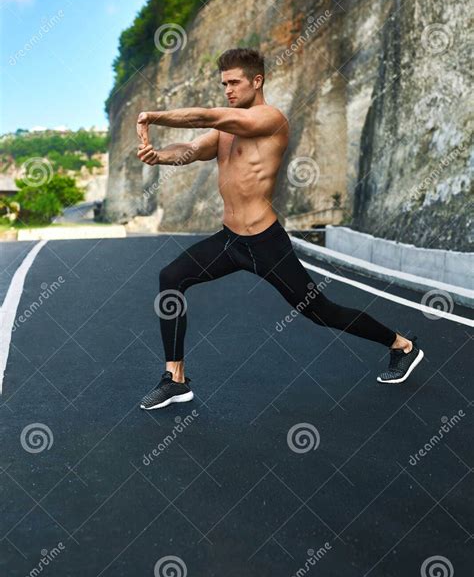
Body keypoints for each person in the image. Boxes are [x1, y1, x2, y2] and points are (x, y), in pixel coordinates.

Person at [136, 48, 424, 409]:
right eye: (223, 83)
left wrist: (154, 116)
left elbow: (204, 117)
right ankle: (175, 380)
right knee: (171, 278)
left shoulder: (269, 119)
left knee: (321, 311)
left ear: (257, 81)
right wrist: (158, 155)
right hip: (230, 240)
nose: (227, 89)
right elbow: (193, 149)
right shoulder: (226, 131)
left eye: (234, 82)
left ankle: (402, 345)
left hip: (265, 243)